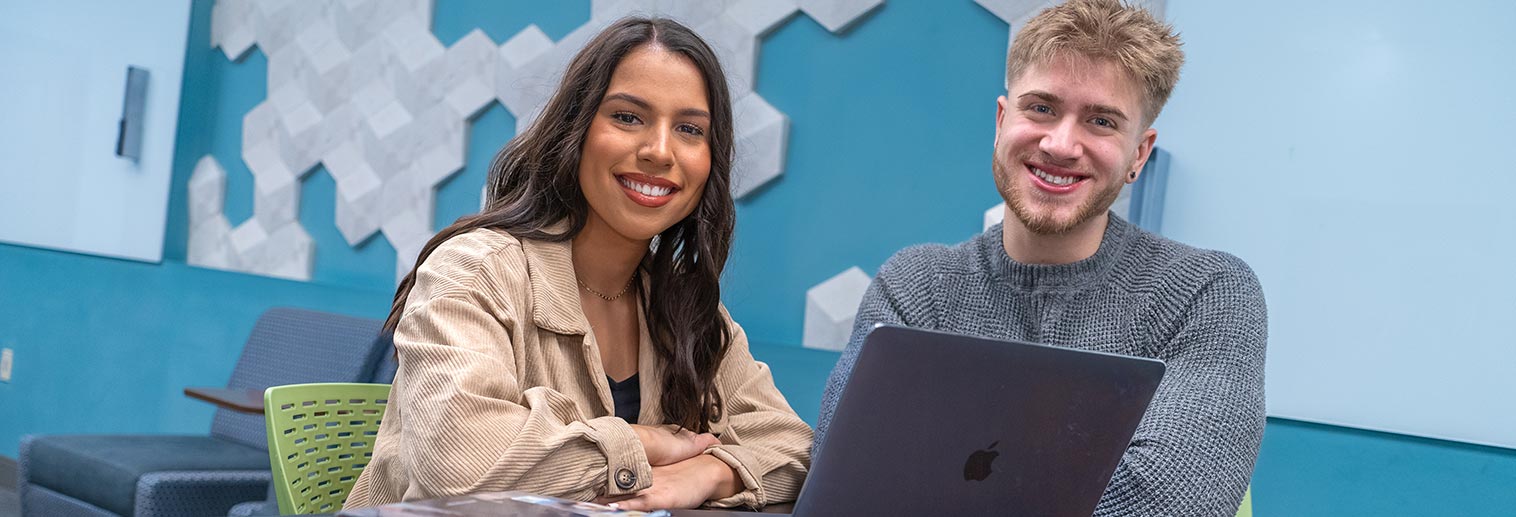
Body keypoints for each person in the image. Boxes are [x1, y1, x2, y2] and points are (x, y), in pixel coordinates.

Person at [813, 1, 1267, 515]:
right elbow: (850, 482)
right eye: (1042, 108)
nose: (1061, 144)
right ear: (1003, 120)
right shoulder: (917, 286)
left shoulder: (1205, 292)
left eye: (1101, 121)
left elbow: (1168, 503)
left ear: (1139, 154)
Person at [345, 17, 811, 512]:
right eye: (628, 117)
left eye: (689, 129)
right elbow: (458, 465)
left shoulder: (687, 309)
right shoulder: (473, 271)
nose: (659, 150)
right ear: (576, 129)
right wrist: (643, 444)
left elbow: (795, 448)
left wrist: (708, 472)